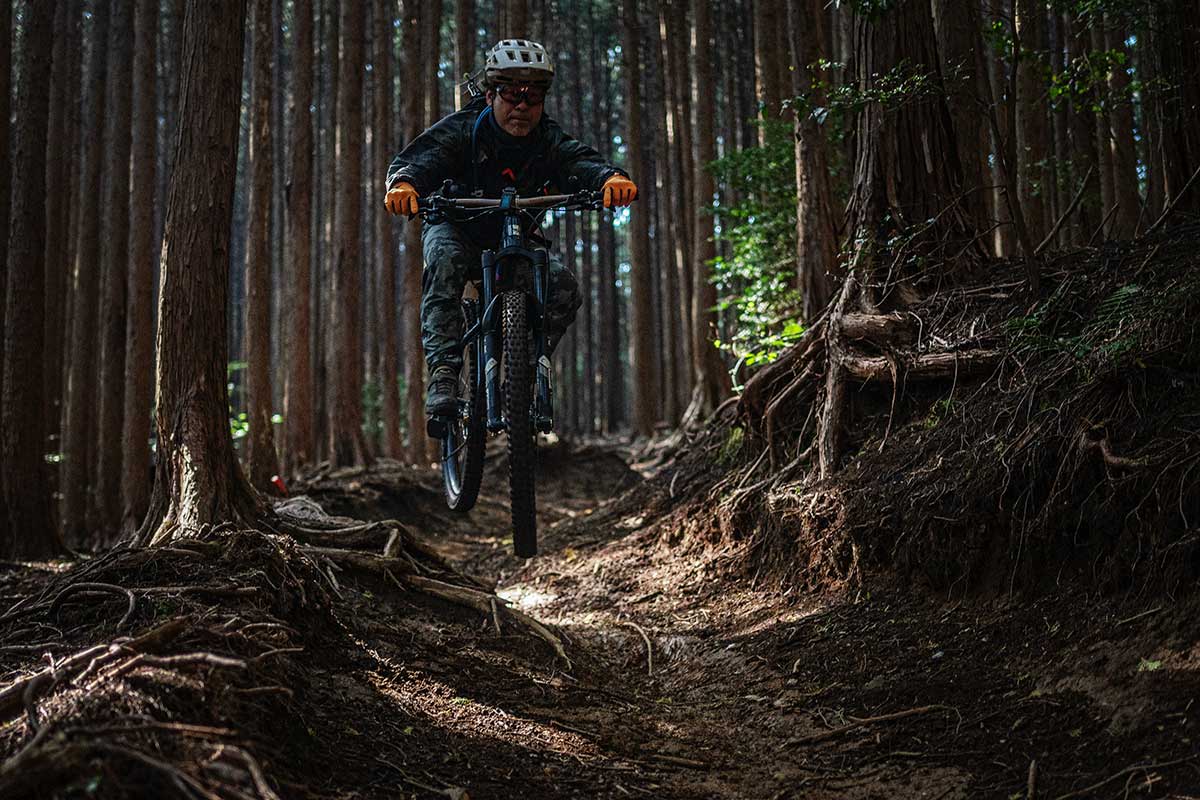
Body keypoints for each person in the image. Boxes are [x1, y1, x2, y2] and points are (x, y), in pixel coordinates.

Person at [384, 39, 638, 417]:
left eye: (532, 97)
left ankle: (524, 371)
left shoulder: (546, 138)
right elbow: (423, 158)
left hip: (514, 239)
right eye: (510, 94)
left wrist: (609, 178)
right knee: (443, 259)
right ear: (490, 95)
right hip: (457, 228)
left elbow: (578, 160)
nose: (521, 105)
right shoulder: (464, 129)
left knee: (563, 287)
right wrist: (404, 183)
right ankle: (443, 376)